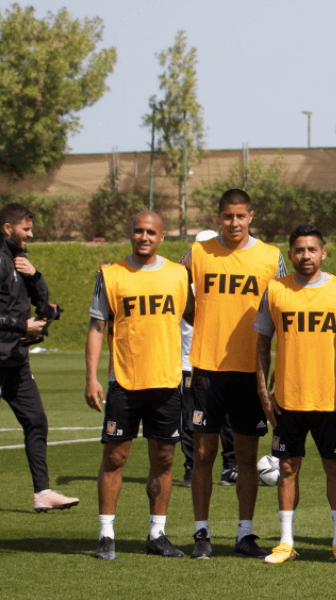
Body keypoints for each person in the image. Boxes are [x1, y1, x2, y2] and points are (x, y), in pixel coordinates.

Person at [181, 189, 288, 559]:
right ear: (218, 217)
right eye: (228, 216)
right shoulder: (198, 253)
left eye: (241, 216)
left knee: (246, 455)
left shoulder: (271, 258)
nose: (234, 223)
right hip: (207, 369)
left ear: (251, 216)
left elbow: (287, 305)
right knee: (203, 453)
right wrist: (203, 320)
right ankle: (201, 534)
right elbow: (176, 290)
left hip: (250, 370)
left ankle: (244, 535)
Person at [254, 225, 336, 566]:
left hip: (328, 398)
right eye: (299, 250)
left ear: (323, 253)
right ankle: (286, 542)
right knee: (287, 469)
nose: (306, 256)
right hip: (287, 398)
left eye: (312, 250)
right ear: (290, 255)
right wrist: (262, 389)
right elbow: (262, 343)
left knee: (335, 469)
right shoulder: (275, 290)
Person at [85, 211, 189, 560]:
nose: (143, 237)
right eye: (138, 231)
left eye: (151, 232)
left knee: (163, 458)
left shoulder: (178, 274)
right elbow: (97, 327)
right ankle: (106, 535)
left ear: (162, 237)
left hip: (166, 383)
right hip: (124, 383)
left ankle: (157, 534)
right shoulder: (110, 275)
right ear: (130, 234)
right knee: (115, 457)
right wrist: (91, 377)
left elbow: (194, 321)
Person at [0, 203, 79, 513]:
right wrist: (22, 326)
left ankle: (42, 492)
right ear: (8, 229)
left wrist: (36, 276)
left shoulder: (19, 260)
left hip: (15, 360)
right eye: (26, 228)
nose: (31, 234)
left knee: (36, 421)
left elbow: (42, 302)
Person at [179, 230, 237, 489]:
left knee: (227, 420)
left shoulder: (222, 281)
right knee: (191, 420)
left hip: (221, 361)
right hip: (188, 363)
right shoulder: (181, 283)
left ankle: (230, 467)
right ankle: (191, 468)